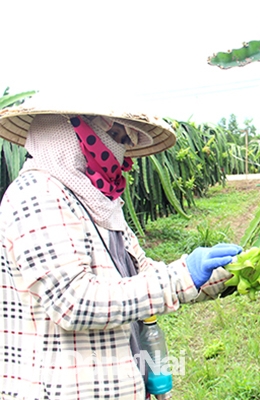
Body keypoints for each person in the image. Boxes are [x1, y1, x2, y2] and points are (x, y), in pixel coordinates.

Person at [0, 100, 243, 399]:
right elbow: (74, 302)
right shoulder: (37, 195)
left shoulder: (98, 202)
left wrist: (226, 275)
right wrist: (180, 277)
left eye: (126, 141)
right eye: (117, 136)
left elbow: (141, 276)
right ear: (69, 127)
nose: (122, 153)